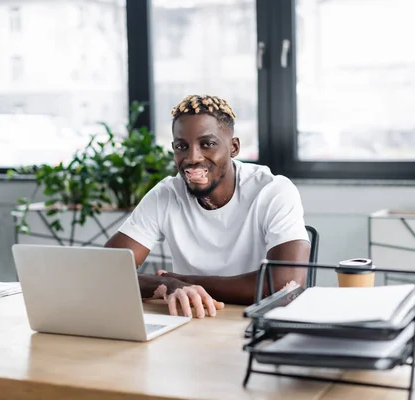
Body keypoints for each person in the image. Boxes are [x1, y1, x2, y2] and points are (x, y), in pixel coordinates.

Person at [104, 94, 310, 319]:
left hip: (254, 322)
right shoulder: (165, 195)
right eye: (182, 146)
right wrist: (167, 284)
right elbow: (105, 269)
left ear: (234, 147)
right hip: (190, 320)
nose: (192, 157)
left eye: (208, 144)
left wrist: (185, 282)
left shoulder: (272, 190)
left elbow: (286, 285)